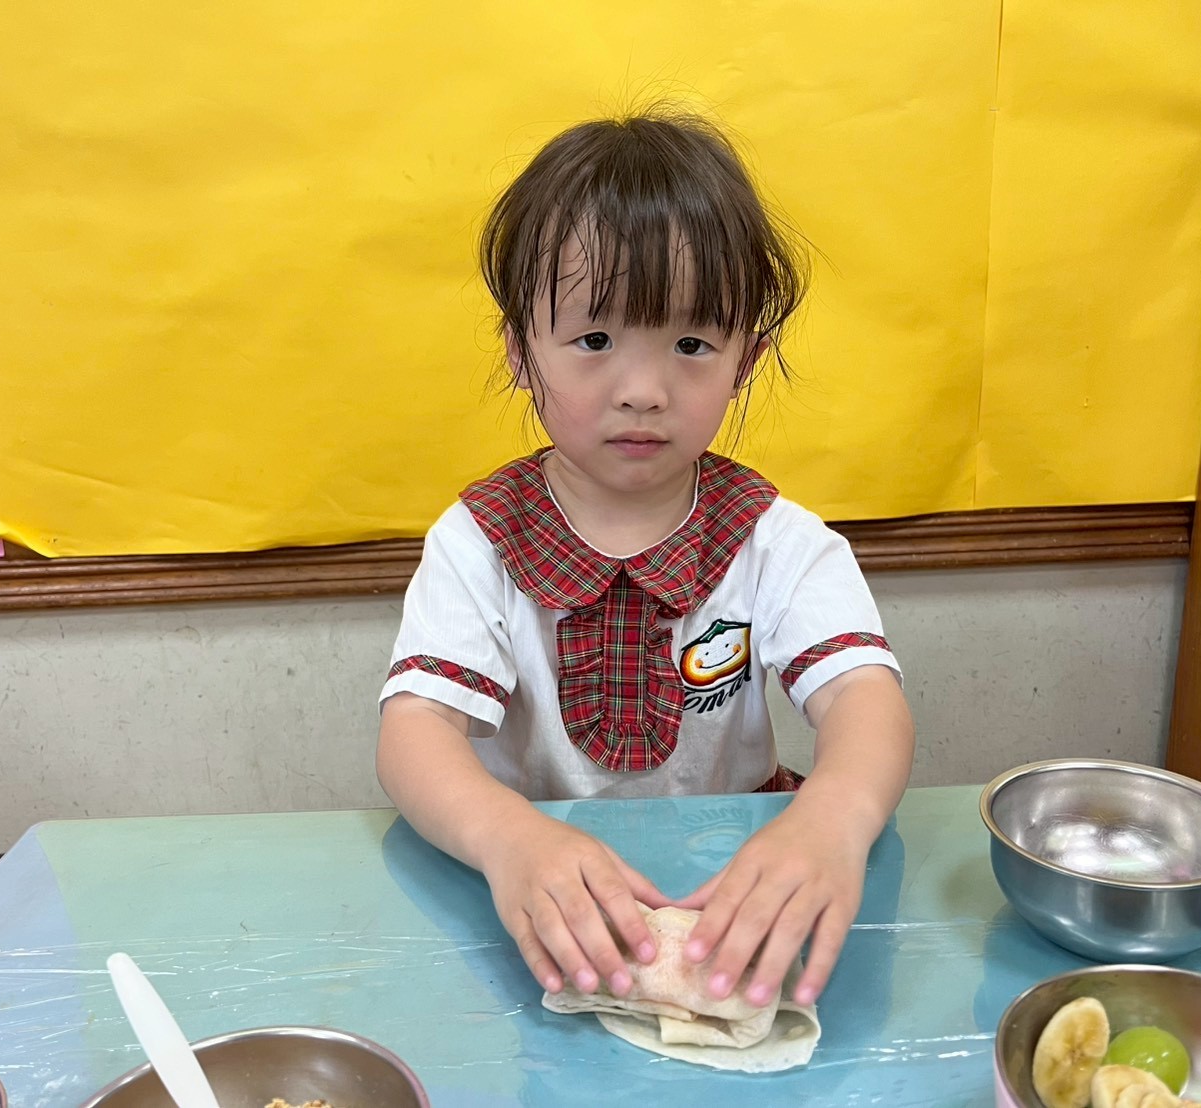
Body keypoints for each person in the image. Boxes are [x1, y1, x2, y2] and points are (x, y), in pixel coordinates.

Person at [376, 107, 914, 1015]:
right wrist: (509, 840)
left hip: (732, 892)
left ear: (746, 360)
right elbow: (413, 734)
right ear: (520, 351)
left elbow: (866, 701)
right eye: (593, 341)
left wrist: (831, 820)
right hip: (535, 900)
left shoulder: (776, 539)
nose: (642, 390)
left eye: (691, 345)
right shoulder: (478, 540)